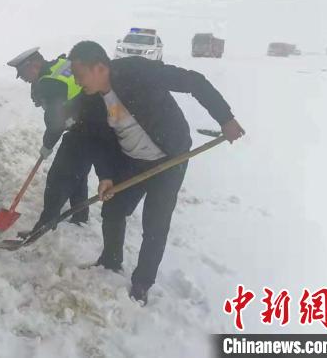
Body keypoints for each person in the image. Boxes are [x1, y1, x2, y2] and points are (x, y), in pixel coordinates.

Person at [67, 40, 245, 305]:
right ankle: (110, 261)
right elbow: (99, 140)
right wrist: (105, 175)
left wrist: (225, 118)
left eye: (80, 75)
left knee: (155, 223)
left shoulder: (137, 71)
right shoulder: (91, 101)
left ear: (100, 67)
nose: (77, 81)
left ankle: (142, 283)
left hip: (170, 157)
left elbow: (194, 82)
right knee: (113, 210)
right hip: (133, 160)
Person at [7, 47, 92, 229]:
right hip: (94, 123)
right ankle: (80, 215)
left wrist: (47, 145)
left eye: (23, 73)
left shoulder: (49, 83)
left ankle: (45, 224)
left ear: (34, 65)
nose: (22, 78)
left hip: (86, 128)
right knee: (78, 172)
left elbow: (55, 123)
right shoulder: (60, 65)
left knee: (58, 177)